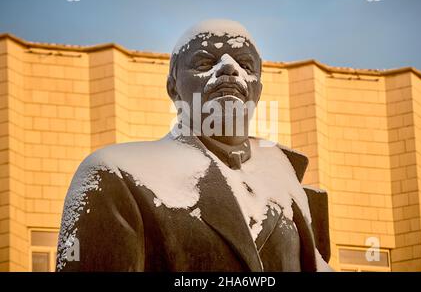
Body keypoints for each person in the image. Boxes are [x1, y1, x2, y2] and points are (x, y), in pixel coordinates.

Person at [56, 19, 331, 271]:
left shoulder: (287, 181)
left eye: (245, 65)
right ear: (173, 88)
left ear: (258, 89)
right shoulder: (116, 174)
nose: (229, 68)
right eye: (203, 63)